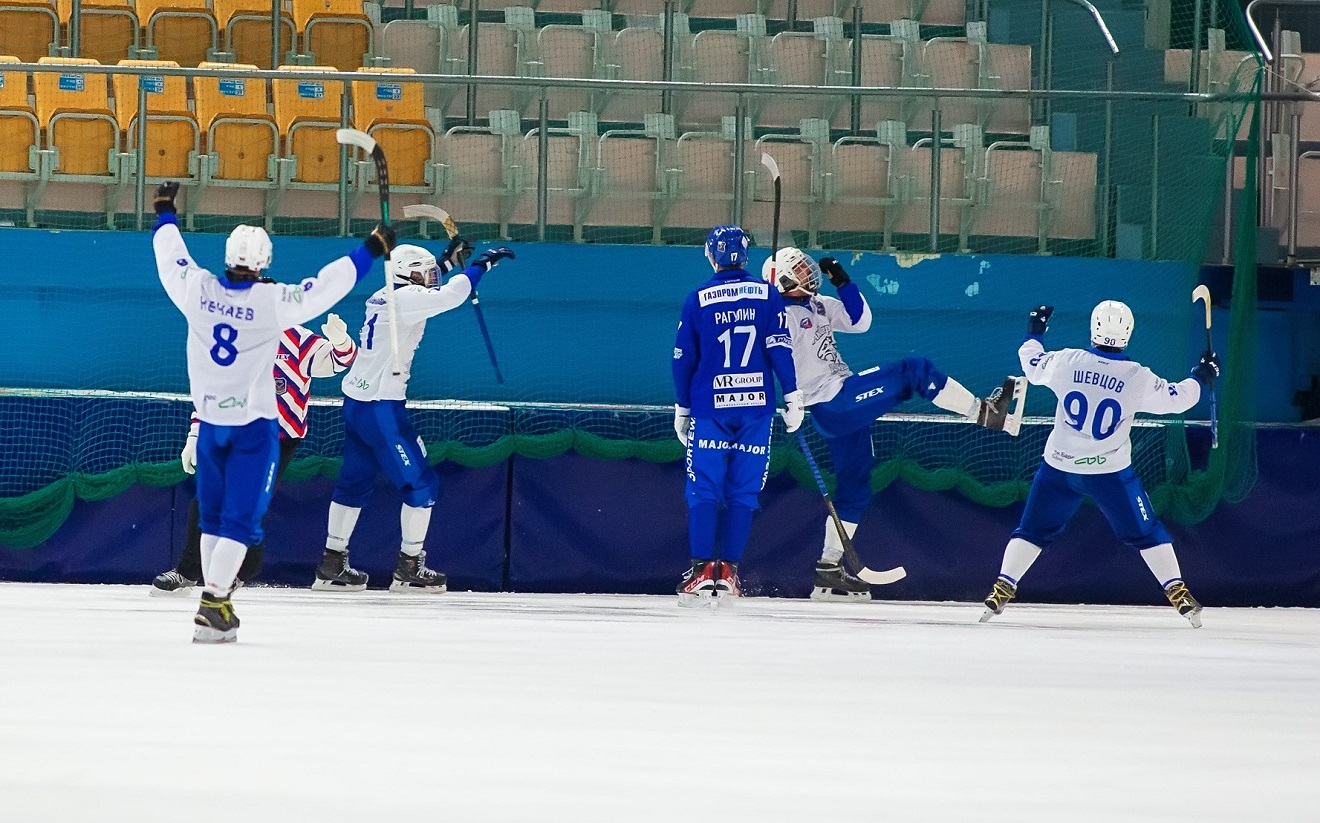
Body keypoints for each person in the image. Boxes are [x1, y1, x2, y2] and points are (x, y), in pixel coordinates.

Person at [152, 180, 391, 642]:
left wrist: (165, 210)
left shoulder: (196, 290)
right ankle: (214, 601)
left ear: (226, 256)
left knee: (212, 517)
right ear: (265, 263)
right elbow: (326, 286)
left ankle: (214, 598)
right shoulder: (271, 302)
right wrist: (371, 247)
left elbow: (170, 255)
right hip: (255, 430)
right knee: (240, 521)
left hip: (211, 425)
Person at [762, 248, 1024, 602]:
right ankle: (986, 413)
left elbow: (860, 321)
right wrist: (789, 399)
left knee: (855, 489)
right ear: (784, 280)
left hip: (841, 401)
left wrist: (844, 281)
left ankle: (828, 569)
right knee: (915, 370)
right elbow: (770, 358)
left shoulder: (818, 304)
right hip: (834, 403)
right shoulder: (777, 316)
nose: (811, 276)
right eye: (802, 272)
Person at [980, 301, 1220, 627]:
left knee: (1033, 530)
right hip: (1108, 472)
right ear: (1128, 333)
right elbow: (1178, 399)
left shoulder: (1066, 361)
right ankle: (1177, 592)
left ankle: (1002, 586)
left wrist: (1034, 330)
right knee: (1146, 531)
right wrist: (1203, 375)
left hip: (1059, 467)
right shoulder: (1136, 377)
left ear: (1093, 328)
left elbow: (1031, 364)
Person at [315, 239, 515, 593]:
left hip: (357, 403)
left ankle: (332, 563)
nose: (430, 276)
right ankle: (409, 566)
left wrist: (446, 262)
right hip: (382, 409)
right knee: (421, 485)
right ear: (408, 274)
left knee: (353, 483)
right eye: (424, 272)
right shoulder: (405, 299)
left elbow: (430, 288)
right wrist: (480, 266)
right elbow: (448, 296)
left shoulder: (388, 293)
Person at [150, 317, 358, 595]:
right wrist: (194, 435)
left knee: (247, 501)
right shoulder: (231, 341)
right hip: (235, 432)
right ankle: (187, 574)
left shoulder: (296, 339)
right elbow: (211, 391)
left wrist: (341, 340)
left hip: (279, 437)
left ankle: (239, 571)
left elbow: (339, 361)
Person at [671, 225, 802, 606]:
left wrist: (682, 407)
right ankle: (727, 572)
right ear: (745, 256)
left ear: (711, 255)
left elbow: (683, 359)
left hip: (710, 407)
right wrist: (793, 397)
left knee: (703, 489)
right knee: (743, 493)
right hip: (756, 409)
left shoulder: (698, 298)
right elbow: (780, 348)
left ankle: (700, 573)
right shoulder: (768, 295)